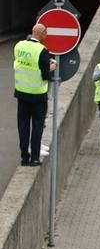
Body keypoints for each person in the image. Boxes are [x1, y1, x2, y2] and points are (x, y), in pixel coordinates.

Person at [14, 20, 54, 167]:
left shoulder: (19, 46)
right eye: (45, 33)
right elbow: (45, 75)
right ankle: (35, 158)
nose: (46, 36)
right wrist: (52, 67)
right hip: (38, 95)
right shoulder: (42, 51)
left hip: (21, 93)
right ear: (41, 34)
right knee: (37, 127)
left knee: (23, 126)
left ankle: (24, 157)